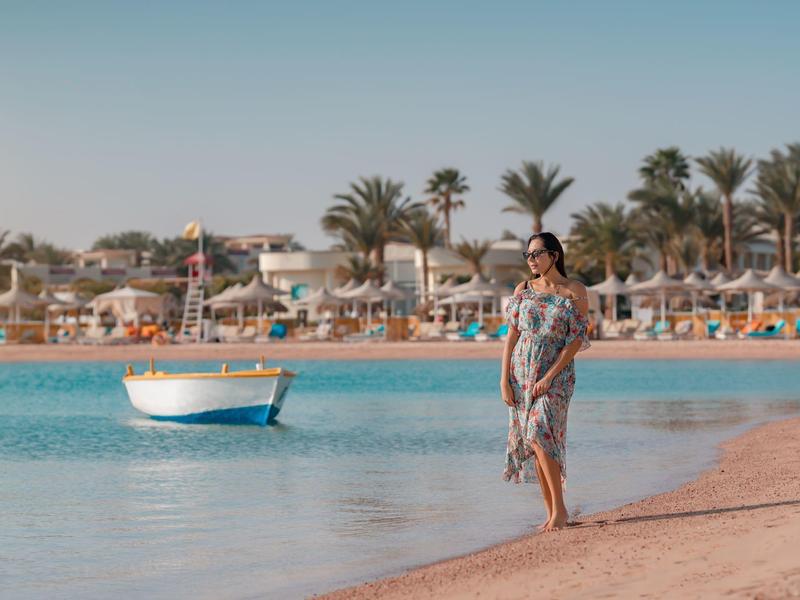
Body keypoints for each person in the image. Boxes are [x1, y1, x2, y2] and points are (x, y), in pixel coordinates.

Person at [500, 232, 590, 531]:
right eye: (527, 255)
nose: (531, 260)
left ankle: (561, 512)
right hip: (522, 373)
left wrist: (550, 375)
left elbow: (576, 340)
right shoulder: (523, 289)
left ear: (554, 255)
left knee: (541, 432)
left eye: (536, 253)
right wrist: (504, 380)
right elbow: (512, 335)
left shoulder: (574, 290)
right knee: (536, 443)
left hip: (557, 374)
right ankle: (552, 512)